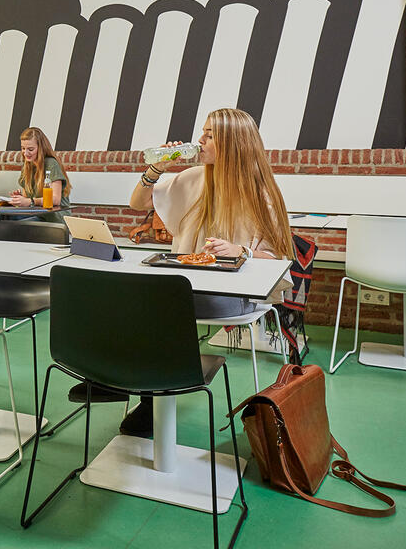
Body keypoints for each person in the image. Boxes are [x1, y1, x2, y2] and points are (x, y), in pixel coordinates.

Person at [123, 107, 294, 438]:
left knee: (152, 303)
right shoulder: (194, 177)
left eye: (209, 135)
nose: (199, 140)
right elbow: (137, 203)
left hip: (232, 295)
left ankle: (146, 396)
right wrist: (156, 167)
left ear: (232, 143)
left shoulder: (260, 192)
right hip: (186, 286)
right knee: (135, 295)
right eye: (202, 132)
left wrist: (241, 251)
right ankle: (136, 385)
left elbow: (278, 258)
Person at [8, 126, 71, 222]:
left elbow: (55, 199)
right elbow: (27, 199)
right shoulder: (27, 166)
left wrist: (30, 201)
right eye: (23, 148)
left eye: (30, 149)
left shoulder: (51, 164)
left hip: (53, 218)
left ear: (41, 148)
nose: (25, 153)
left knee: (17, 226)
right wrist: (20, 198)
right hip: (37, 213)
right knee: (6, 220)